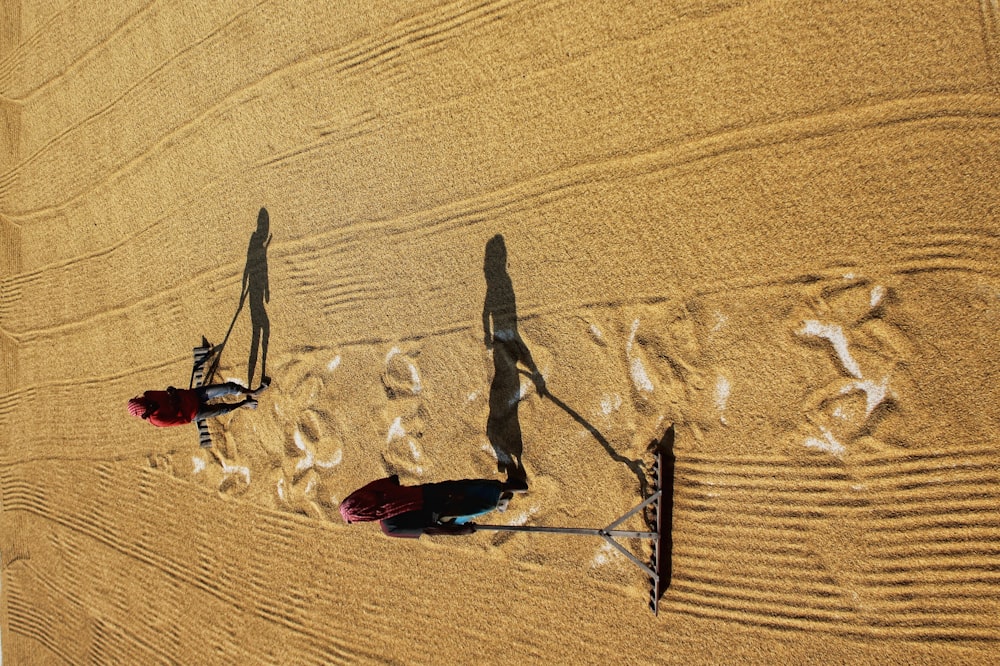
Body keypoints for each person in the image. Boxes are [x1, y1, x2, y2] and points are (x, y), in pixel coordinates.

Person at [340, 474, 528, 538]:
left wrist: (459, 532)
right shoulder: (378, 491)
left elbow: (428, 529)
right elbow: (393, 479)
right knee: (471, 488)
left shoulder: (389, 527)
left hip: (444, 514)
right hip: (438, 491)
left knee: (474, 508)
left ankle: (500, 500)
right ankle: (506, 487)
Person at [127, 381, 268, 427]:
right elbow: (181, 419)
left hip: (193, 395)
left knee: (228, 387)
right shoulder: (157, 420)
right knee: (222, 409)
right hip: (196, 412)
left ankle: (253, 392)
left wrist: (172, 392)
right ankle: (245, 403)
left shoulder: (149, 395)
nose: (144, 399)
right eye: (143, 402)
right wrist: (175, 401)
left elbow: (167, 393)